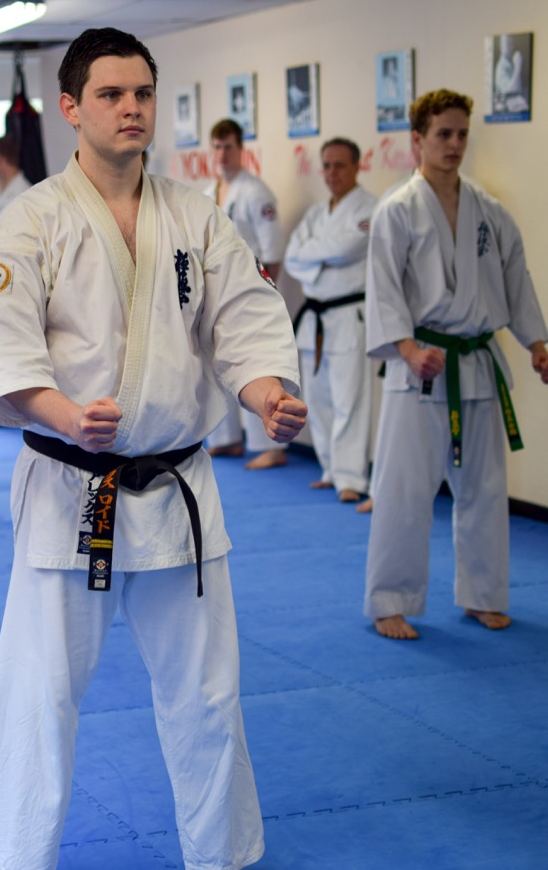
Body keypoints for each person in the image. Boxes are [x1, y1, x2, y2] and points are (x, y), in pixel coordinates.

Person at [0, 27, 307, 870]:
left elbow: (242, 324)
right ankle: (8, 868)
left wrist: (268, 397)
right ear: (71, 108)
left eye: (142, 93)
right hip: (72, 486)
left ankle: (217, 847)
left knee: (206, 686)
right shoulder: (29, 220)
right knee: (41, 689)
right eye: (111, 94)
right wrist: (66, 414)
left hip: (176, 486)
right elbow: (4, 352)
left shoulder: (196, 215)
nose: (131, 108)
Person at [363, 88, 548, 641]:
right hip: (420, 369)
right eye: (443, 134)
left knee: (485, 491)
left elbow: (516, 281)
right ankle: (389, 601)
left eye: (462, 133)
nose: (455, 144)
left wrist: (537, 343)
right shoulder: (397, 210)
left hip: (479, 366)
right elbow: (383, 289)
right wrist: (407, 349)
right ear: (417, 140)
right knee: (404, 492)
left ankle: (483, 595)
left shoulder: (490, 211)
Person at [285, 138, 376, 502]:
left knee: (349, 400)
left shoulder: (371, 209)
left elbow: (346, 249)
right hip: (316, 317)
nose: (332, 173)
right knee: (319, 398)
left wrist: (314, 256)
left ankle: (351, 477)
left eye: (340, 165)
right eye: (327, 165)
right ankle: (330, 469)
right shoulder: (316, 214)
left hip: (349, 315)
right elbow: (292, 257)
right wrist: (321, 259)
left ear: (357, 166)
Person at [203, 118, 288, 469]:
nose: (223, 154)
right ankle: (227, 439)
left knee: (255, 366)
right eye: (217, 147)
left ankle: (270, 447)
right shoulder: (208, 192)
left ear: (241, 150)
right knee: (218, 365)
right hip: (217, 293)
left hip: (250, 291)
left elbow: (272, 250)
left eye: (229, 147)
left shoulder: (256, 192)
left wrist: (265, 295)